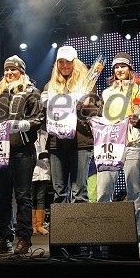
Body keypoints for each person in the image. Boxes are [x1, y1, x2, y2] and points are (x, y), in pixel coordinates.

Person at [0, 55, 43, 254]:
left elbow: (39, 118)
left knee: (23, 196)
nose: (9, 73)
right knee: (1, 196)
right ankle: (3, 237)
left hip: (22, 151)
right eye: (7, 70)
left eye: (14, 70)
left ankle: (24, 239)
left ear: (22, 72)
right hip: (0, 152)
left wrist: (27, 124)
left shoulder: (31, 92)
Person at [97, 52, 140, 239]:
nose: (119, 70)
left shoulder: (139, 90)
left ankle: (135, 239)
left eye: (123, 66)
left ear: (130, 69)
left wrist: (139, 120)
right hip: (110, 146)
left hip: (133, 143)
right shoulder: (107, 92)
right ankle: (104, 237)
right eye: (116, 67)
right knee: (103, 191)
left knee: (134, 193)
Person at [44, 45, 100, 203]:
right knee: (59, 192)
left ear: (75, 62)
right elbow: (44, 117)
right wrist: (41, 104)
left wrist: (87, 104)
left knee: (79, 192)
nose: (64, 65)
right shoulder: (50, 87)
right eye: (60, 62)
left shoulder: (87, 85)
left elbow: (96, 112)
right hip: (56, 143)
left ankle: (81, 228)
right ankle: (61, 228)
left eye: (68, 61)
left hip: (81, 142)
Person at [31, 126, 50, 235]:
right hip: (32, 171)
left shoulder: (45, 134)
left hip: (44, 170)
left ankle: (40, 225)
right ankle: (32, 225)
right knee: (31, 198)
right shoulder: (30, 134)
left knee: (41, 198)